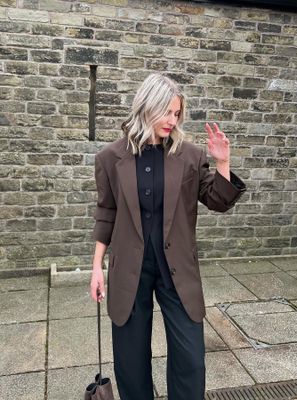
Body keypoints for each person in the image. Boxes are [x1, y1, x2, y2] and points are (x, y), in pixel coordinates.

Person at [90, 72, 247, 400]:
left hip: (176, 268)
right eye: (166, 111)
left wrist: (223, 162)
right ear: (146, 106)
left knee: (190, 357)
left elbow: (217, 200)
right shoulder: (110, 158)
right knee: (130, 360)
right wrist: (96, 268)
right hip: (129, 269)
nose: (172, 120)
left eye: (177, 114)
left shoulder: (189, 156)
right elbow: (107, 212)